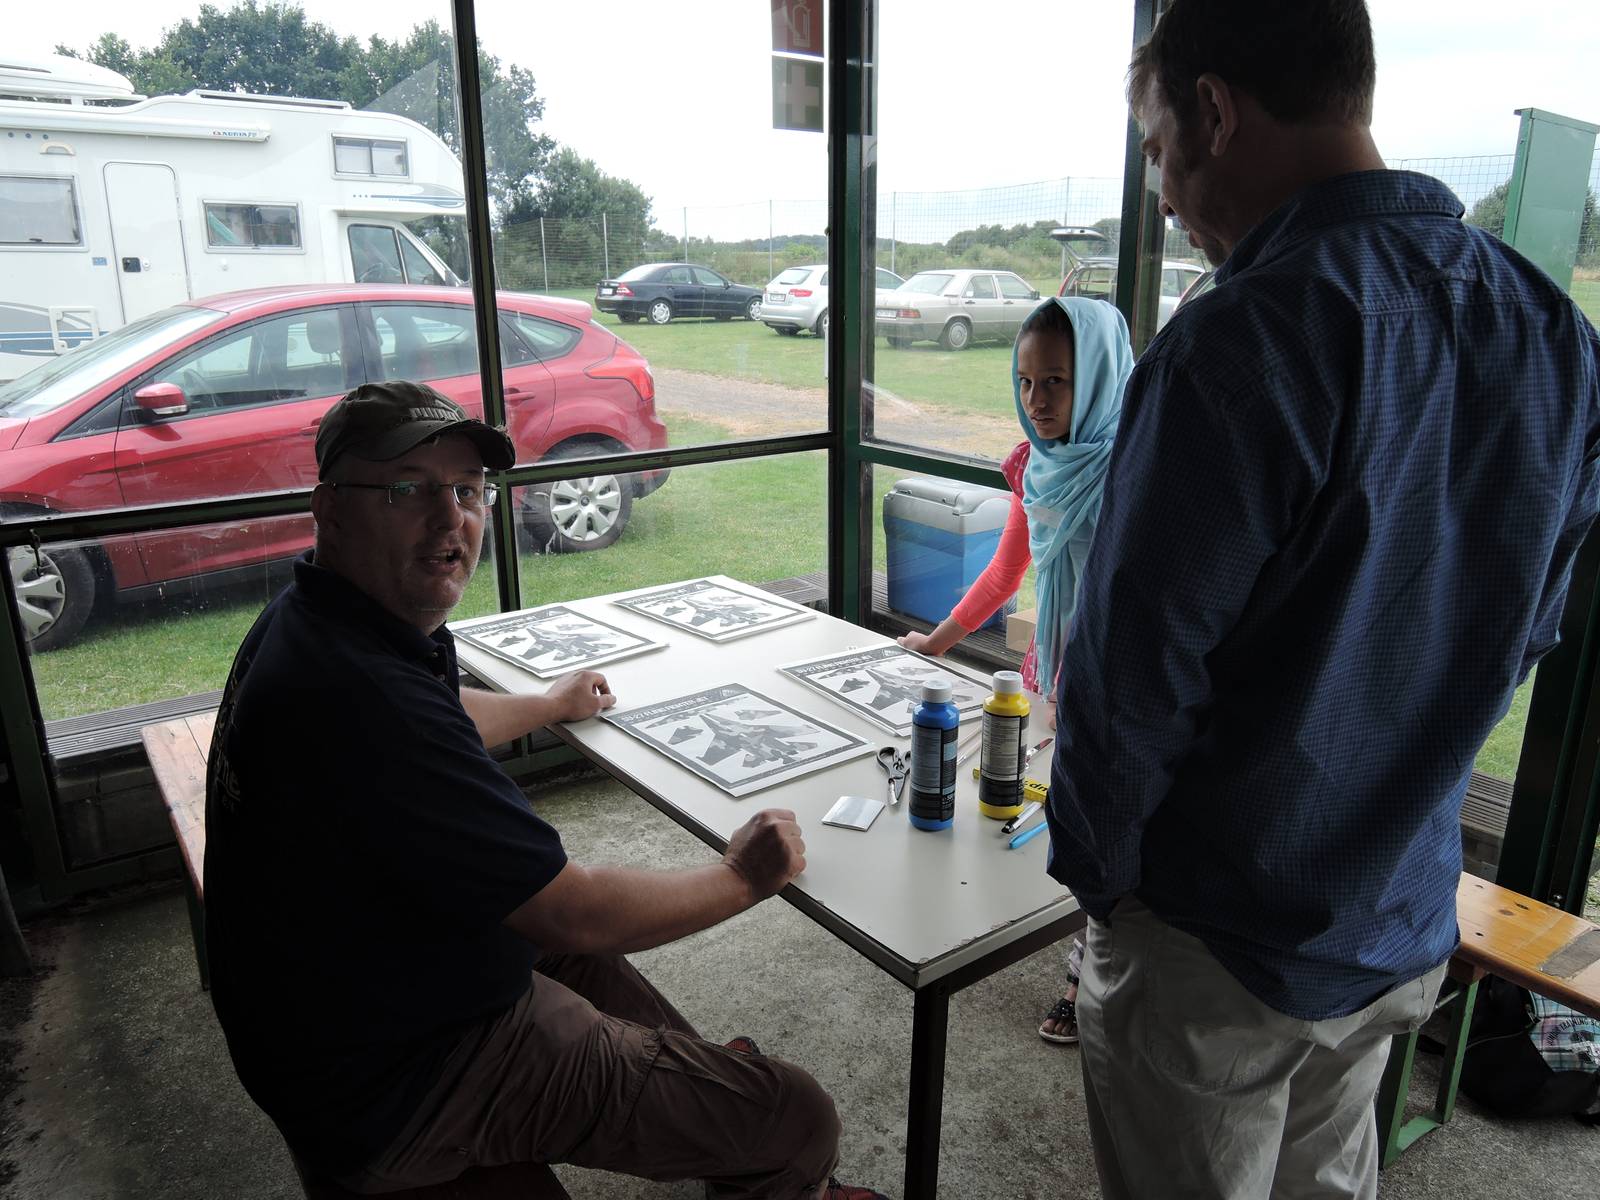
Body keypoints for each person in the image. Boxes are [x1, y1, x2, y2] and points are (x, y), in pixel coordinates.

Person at [1042, 2, 1600, 1198]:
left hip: (1214, 942)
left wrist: (1104, 887)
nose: (1162, 194)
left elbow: (1129, 684)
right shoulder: (1552, 329)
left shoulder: (1237, 338)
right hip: (1397, 912)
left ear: (1213, 112)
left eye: (1156, 150)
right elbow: (1525, 631)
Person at [203, 380, 885, 1200]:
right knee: (797, 1118)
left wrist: (548, 704)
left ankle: (704, 1096)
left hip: (347, 1013)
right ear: (332, 508)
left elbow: (442, 713)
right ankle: (751, 1138)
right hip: (402, 1077)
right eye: (408, 490)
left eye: (466, 490)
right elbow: (573, 909)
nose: (450, 518)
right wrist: (743, 875)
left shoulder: (319, 619)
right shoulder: (366, 695)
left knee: (583, 964)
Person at [898, 295, 1131, 1044]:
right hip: (1050, 668)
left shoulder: (1138, 465)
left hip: (1114, 677)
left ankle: (1082, 977)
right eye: (1025, 382)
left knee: (1100, 821)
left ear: (1098, 376)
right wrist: (939, 643)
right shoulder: (1037, 464)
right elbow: (1006, 572)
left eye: (1056, 381)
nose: (1037, 400)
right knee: (1043, 803)